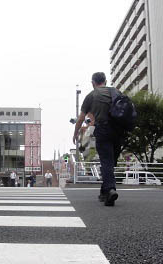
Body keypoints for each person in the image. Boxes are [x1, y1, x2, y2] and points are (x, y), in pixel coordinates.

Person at [73, 72, 122, 206]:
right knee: (111, 162)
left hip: (104, 130)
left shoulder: (91, 96)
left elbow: (81, 118)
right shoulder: (116, 92)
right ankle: (104, 192)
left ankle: (110, 190)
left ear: (93, 82)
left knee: (106, 161)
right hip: (119, 131)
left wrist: (75, 133)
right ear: (105, 81)